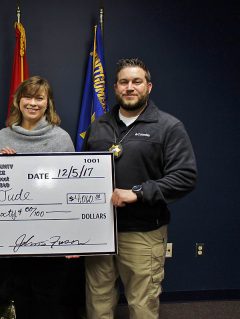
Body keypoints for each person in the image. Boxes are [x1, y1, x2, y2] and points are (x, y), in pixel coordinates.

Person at [83, 58, 197, 319]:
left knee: (142, 303)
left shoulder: (168, 127)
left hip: (143, 232)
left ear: (149, 86)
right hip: (100, 232)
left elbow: (185, 176)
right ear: (115, 87)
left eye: (137, 81)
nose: (130, 87)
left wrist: (137, 192)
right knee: (97, 300)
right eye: (124, 82)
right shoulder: (99, 126)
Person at [0, 75, 75, 319]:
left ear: (48, 103)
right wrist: (2, 167)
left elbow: (71, 190)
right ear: (18, 101)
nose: (33, 103)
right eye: (27, 97)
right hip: (12, 238)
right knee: (20, 296)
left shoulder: (61, 138)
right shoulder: (2, 138)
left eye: (39, 98)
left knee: (48, 300)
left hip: (51, 238)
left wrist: (73, 237)